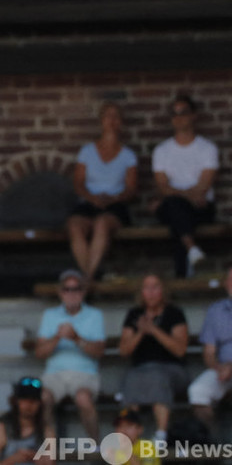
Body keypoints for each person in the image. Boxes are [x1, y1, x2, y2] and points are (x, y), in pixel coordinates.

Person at [65, 101, 138, 280]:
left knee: (102, 224)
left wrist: (112, 199)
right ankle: (91, 276)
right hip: (90, 203)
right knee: (74, 225)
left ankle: (86, 280)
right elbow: (78, 184)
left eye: (116, 116)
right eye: (107, 116)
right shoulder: (87, 151)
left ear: (121, 122)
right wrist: (93, 198)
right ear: (101, 121)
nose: (111, 121)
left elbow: (130, 190)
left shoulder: (128, 155)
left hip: (115, 205)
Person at [33, 269, 105, 440]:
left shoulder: (95, 315)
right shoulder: (49, 315)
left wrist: (76, 338)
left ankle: (96, 447)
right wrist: (58, 337)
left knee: (83, 399)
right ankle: (48, 448)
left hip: (85, 374)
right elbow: (39, 353)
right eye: (67, 289)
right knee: (41, 399)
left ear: (83, 291)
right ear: (60, 292)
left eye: (76, 289)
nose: (72, 294)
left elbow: (99, 352)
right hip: (54, 375)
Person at [152, 94, 218, 277]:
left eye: (183, 112)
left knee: (176, 215)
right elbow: (162, 186)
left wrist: (175, 196)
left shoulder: (207, 148)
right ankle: (192, 248)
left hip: (201, 208)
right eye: (174, 114)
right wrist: (184, 196)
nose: (178, 117)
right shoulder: (162, 150)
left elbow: (204, 186)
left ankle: (183, 275)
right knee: (175, 208)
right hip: (178, 206)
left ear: (193, 115)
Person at [117, 273, 189, 442]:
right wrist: (141, 331)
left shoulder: (174, 314)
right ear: (141, 292)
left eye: (155, 287)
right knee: (131, 378)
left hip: (172, 370)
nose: (150, 292)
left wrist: (154, 330)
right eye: (146, 287)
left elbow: (180, 350)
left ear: (163, 290)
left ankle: (161, 434)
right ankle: (129, 435)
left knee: (157, 377)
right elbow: (123, 350)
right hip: (139, 370)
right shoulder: (134, 315)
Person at [188, 263, 232, 436]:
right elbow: (209, 352)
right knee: (197, 391)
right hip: (224, 370)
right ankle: (214, 448)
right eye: (230, 279)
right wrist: (218, 367)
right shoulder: (216, 310)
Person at [0, 377, 54, 465]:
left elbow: (51, 462)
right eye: (24, 399)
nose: (29, 404)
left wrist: (38, 459)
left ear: (40, 403)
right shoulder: (1, 429)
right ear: (15, 401)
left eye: (33, 400)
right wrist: (13, 459)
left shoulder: (47, 431)